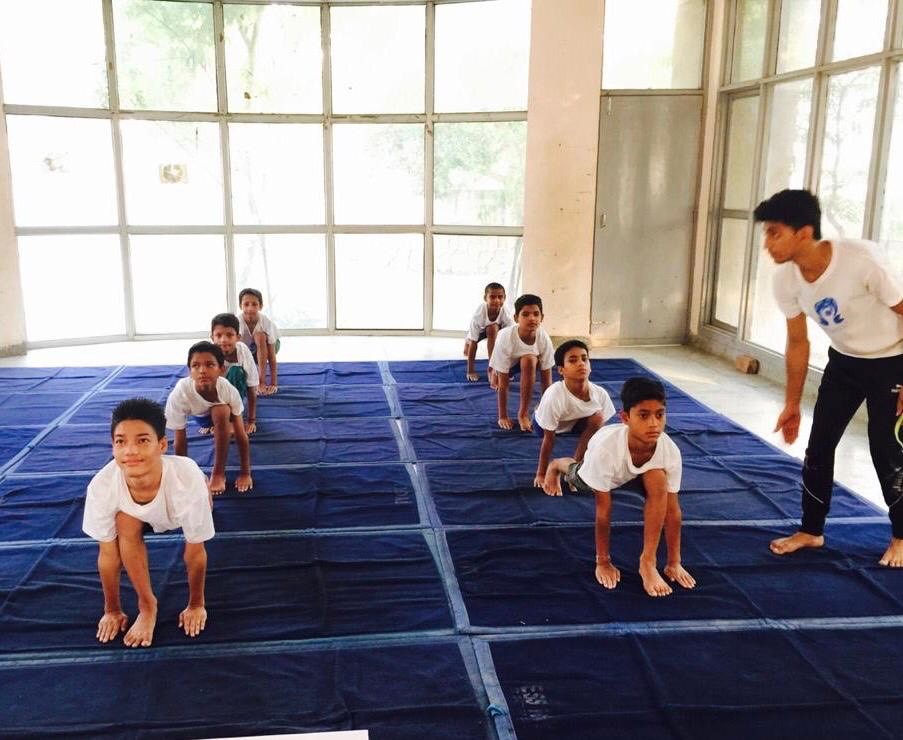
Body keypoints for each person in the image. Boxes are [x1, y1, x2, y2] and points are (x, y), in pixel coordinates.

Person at [754, 188, 903, 566]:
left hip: (892, 361)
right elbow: (798, 343)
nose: (767, 243)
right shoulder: (785, 280)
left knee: (886, 449)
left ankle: (902, 536)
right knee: (818, 446)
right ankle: (811, 530)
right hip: (844, 363)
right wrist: (791, 403)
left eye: (775, 233)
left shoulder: (861, 261)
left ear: (803, 233)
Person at [543, 377, 695, 597]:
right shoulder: (606, 451)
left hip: (640, 470)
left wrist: (674, 562)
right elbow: (603, 512)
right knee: (577, 479)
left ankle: (648, 562)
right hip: (605, 467)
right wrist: (603, 561)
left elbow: (672, 511)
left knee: (658, 480)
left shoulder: (669, 450)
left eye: (659, 415)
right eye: (643, 415)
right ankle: (557, 465)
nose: (654, 424)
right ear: (625, 418)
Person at [82, 398, 214, 648]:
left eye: (142, 440)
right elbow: (108, 555)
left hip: (176, 505)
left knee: (203, 504)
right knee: (124, 521)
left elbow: (195, 551)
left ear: (162, 445)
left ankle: (207, 489)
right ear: (112, 447)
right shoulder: (102, 487)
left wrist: (196, 604)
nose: (130, 451)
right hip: (136, 514)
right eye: (121, 442)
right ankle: (147, 604)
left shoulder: (186, 483)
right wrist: (112, 610)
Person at [165, 341, 253, 495]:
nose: (202, 371)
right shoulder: (180, 394)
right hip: (202, 417)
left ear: (221, 369)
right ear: (189, 371)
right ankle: (221, 427)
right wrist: (184, 476)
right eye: (196, 366)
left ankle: (218, 473)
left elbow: (241, 435)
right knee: (218, 412)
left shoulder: (228, 390)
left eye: (210, 365)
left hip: (225, 413)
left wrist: (245, 473)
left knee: (221, 410)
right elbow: (180, 441)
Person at [533, 339, 615, 487]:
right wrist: (541, 473)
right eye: (573, 360)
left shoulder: (600, 394)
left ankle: (574, 469)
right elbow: (548, 439)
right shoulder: (554, 395)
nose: (581, 363)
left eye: (584, 359)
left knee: (598, 419)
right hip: (544, 426)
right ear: (561, 370)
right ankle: (539, 408)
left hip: (575, 422)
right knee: (546, 417)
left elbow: (601, 434)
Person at [489, 293, 555, 432]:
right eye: (525, 314)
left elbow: (546, 379)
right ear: (516, 318)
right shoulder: (505, 338)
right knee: (497, 379)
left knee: (529, 360)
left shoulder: (543, 338)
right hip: (508, 363)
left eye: (536, 314)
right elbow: (504, 383)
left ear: (542, 317)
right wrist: (503, 416)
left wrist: (545, 411)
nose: (532, 318)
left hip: (527, 361)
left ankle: (522, 414)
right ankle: (493, 372)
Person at [210, 312, 259, 434]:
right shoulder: (209, 354)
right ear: (212, 337)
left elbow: (251, 387)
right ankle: (217, 419)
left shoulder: (242, 351)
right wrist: (209, 421)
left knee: (236, 371)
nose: (224, 340)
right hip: (215, 396)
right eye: (219, 335)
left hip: (236, 393)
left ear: (238, 337)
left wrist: (251, 420)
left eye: (229, 335)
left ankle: (233, 418)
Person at [463, 282, 513, 383]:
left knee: (492, 328)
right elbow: (474, 343)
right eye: (492, 297)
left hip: (495, 330)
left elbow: (509, 340)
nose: (497, 300)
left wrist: (506, 370)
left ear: (505, 298)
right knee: (468, 349)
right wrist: (470, 371)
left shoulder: (506, 313)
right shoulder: (479, 314)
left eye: (500, 297)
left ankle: (492, 368)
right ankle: (466, 342)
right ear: (485, 298)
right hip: (480, 331)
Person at [238, 288, 279, 396]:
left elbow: (272, 357)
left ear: (260, 306)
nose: (250, 308)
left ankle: (261, 381)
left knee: (260, 336)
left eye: (254, 304)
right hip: (250, 348)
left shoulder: (266, 322)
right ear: (240, 306)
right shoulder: (238, 322)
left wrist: (273, 383)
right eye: (246, 304)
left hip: (270, 345)